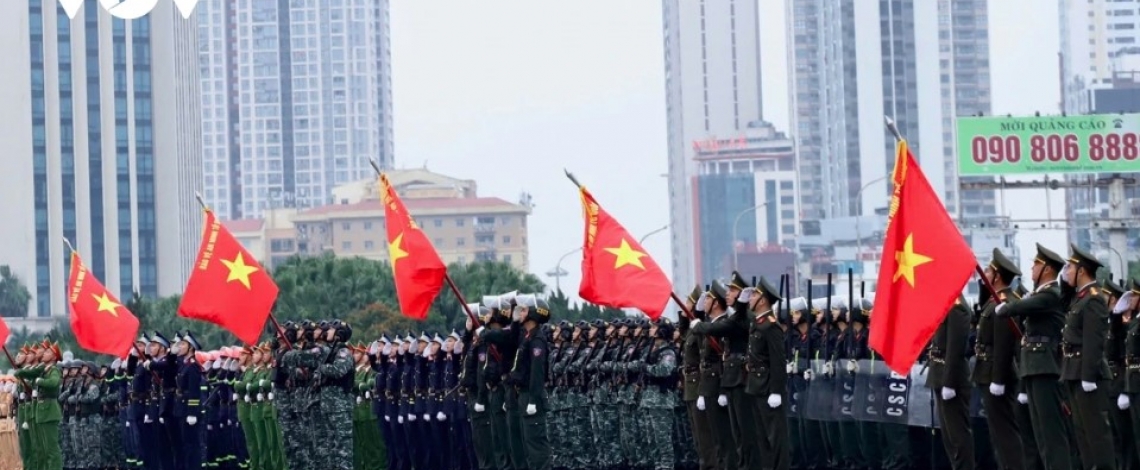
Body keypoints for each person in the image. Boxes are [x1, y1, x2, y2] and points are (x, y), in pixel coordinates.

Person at [995, 243, 1072, 470]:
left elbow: (1017, 307)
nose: (1032, 268)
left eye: (1036, 264)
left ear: (1047, 269)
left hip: (1046, 368)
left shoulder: (1050, 295)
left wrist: (1005, 307)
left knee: (1051, 434)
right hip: (1034, 368)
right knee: (1040, 434)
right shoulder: (1040, 294)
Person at [1060, 244, 1116, 470]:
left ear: (1081, 271)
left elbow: (1095, 341)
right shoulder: (1079, 298)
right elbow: (1063, 301)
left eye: (1070, 269)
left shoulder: (1093, 299)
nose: (1067, 272)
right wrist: (1063, 281)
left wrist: (1089, 376)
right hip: (1074, 371)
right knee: (1082, 432)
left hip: (1087, 374)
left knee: (1097, 434)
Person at [973, 248, 1025, 470]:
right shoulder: (993, 301)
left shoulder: (1004, 302)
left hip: (996, 374)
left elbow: (1004, 344)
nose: (984, 274)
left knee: (1005, 432)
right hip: (988, 372)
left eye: (988, 271)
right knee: (998, 433)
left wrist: (998, 379)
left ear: (997, 276)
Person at [688, 280, 742, 470]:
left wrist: (721, 390)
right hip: (708, 385)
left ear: (716, 303)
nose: (704, 302)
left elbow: (722, 360)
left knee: (725, 439)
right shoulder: (711, 326)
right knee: (716, 438)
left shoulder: (722, 327)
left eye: (708, 298)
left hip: (718, 385)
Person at [743, 277, 789, 470]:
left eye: (754, 295)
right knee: (761, 437)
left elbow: (778, 360)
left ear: (762, 300)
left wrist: (776, 390)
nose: (750, 298)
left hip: (768, 387)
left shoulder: (770, 326)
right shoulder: (758, 323)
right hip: (755, 385)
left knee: (775, 437)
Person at [928, 296, 975, 470]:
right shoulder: (945, 305)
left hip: (952, 379)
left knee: (958, 436)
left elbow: (955, 348)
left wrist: (949, 382)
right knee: (948, 437)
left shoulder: (957, 308)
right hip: (939, 374)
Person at [511, 293, 553, 470]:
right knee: (528, 444)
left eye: (524, 310)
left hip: (532, 397)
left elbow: (537, 373)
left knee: (537, 445)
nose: (521, 313)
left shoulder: (537, 340)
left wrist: (533, 400)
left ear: (533, 314)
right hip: (524, 396)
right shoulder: (527, 337)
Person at [17, 339, 63, 470]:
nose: (43, 354)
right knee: (41, 447)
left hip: (49, 410)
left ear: (54, 356)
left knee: (50, 449)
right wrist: (21, 372)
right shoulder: (43, 369)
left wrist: (40, 381)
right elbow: (32, 373)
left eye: (47, 351)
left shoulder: (53, 370)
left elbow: (54, 382)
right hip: (41, 411)